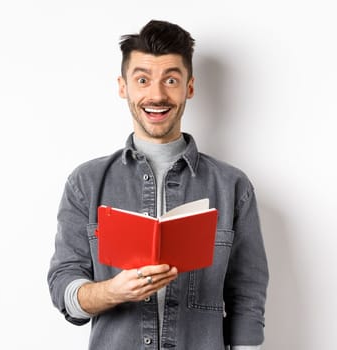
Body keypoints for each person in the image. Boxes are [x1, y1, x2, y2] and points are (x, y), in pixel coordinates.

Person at [47, 19, 269, 350]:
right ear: (123, 87)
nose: (156, 94)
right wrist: (113, 291)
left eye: (170, 80)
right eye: (142, 79)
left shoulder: (233, 186)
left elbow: (247, 292)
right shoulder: (86, 183)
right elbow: (63, 284)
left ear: (189, 88)